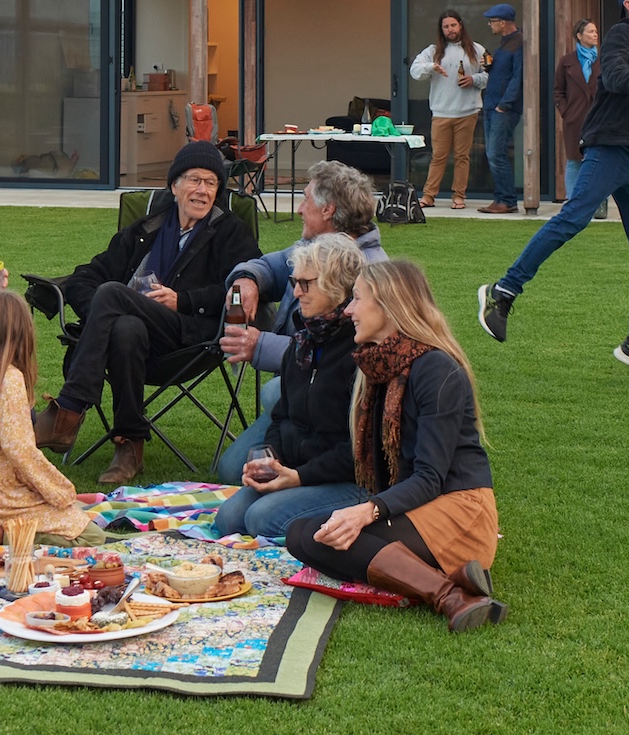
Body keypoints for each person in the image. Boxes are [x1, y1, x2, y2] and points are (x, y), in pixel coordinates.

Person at [477, 0, 629, 385]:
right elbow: (612, 75)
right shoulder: (620, 35)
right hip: (610, 148)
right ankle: (502, 292)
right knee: (573, 218)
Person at [284, 260, 505, 632]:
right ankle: (457, 582)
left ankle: (447, 596)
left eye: (356, 299)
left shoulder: (437, 369)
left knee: (322, 538)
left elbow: (431, 477)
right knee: (305, 535)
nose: (349, 310)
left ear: (388, 304)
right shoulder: (379, 367)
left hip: (458, 510)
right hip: (415, 505)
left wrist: (367, 512)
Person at [32, 140, 262, 486]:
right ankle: (130, 444)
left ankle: (68, 410)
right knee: (125, 326)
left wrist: (182, 300)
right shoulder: (146, 230)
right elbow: (85, 277)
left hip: (189, 337)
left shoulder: (230, 232)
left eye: (211, 183)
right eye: (194, 180)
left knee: (113, 293)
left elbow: (239, 290)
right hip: (133, 341)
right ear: (174, 186)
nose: (202, 190)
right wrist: (104, 317)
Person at [215, 160, 387, 484]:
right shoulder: (312, 249)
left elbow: (340, 353)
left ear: (328, 210)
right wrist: (247, 280)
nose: (298, 209)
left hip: (328, 406)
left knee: (271, 392)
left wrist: (261, 345)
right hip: (297, 387)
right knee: (232, 471)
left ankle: (306, 478)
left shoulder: (367, 273)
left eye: (305, 200)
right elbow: (270, 264)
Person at [214, 233, 370, 540]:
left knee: (260, 518)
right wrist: (269, 459)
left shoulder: (360, 352)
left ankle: (349, 529)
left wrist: (298, 478)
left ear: (337, 285)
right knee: (229, 518)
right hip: (302, 470)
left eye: (306, 284)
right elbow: (282, 415)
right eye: (293, 282)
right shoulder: (303, 342)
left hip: (350, 480)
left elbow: (358, 452)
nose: (296, 292)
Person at [0, 291, 98, 545]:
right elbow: (19, 449)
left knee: (75, 511)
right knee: (90, 536)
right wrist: (57, 489)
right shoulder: (9, 379)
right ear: (23, 333)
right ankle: (7, 534)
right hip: (6, 499)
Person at [409, 10, 487, 208]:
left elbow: (489, 76)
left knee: (462, 156)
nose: (450, 30)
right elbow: (414, 70)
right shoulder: (433, 51)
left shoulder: (476, 50)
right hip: (441, 112)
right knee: (438, 156)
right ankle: (428, 196)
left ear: (460, 25)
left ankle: (459, 196)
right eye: (446, 27)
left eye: (453, 25)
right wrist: (431, 67)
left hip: (467, 112)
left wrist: (474, 79)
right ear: (441, 30)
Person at [554, 19, 604, 217]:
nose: (595, 34)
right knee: (574, 160)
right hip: (575, 119)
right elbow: (558, 90)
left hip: (599, 119)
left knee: (599, 160)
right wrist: (566, 112)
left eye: (596, 31)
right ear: (579, 36)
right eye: (590, 31)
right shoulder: (567, 62)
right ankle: (572, 202)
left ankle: (598, 203)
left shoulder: (605, 60)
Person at [478, 3, 523, 215]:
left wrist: (504, 105)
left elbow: (518, 77)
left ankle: (507, 200)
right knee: (493, 154)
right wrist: (490, 66)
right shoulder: (505, 43)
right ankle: (501, 199)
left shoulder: (518, 43)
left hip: (502, 108)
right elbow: (505, 72)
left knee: (497, 154)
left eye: (492, 21)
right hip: (492, 105)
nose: (490, 25)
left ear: (503, 22)